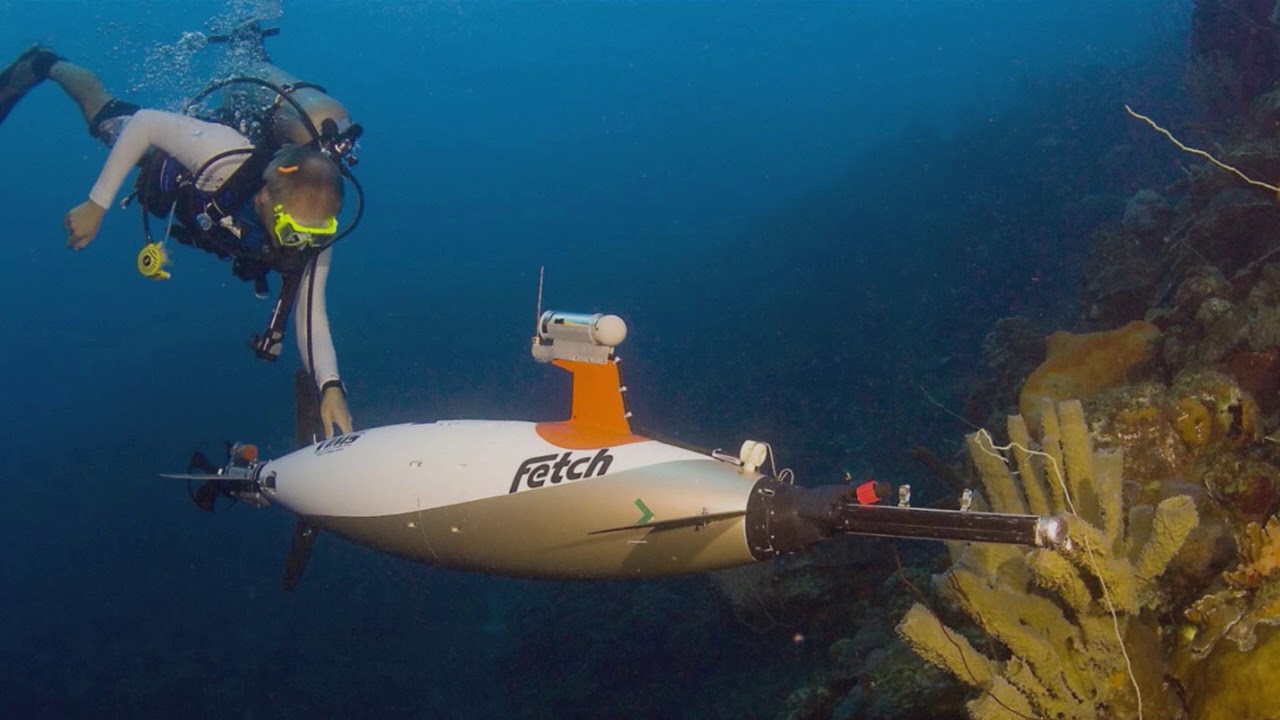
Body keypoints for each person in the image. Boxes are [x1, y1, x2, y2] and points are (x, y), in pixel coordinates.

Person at [0, 27, 359, 439]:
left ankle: (248, 40)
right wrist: (96, 204)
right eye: (290, 231)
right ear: (264, 198)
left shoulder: (312, 234)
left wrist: (331, 388)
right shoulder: (225, 156)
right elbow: (147, 123)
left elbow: (311, 314)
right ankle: (46, 62)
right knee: (98, 114)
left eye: (317, 234)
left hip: (206, 213)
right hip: (165, 162)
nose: (301, 246)